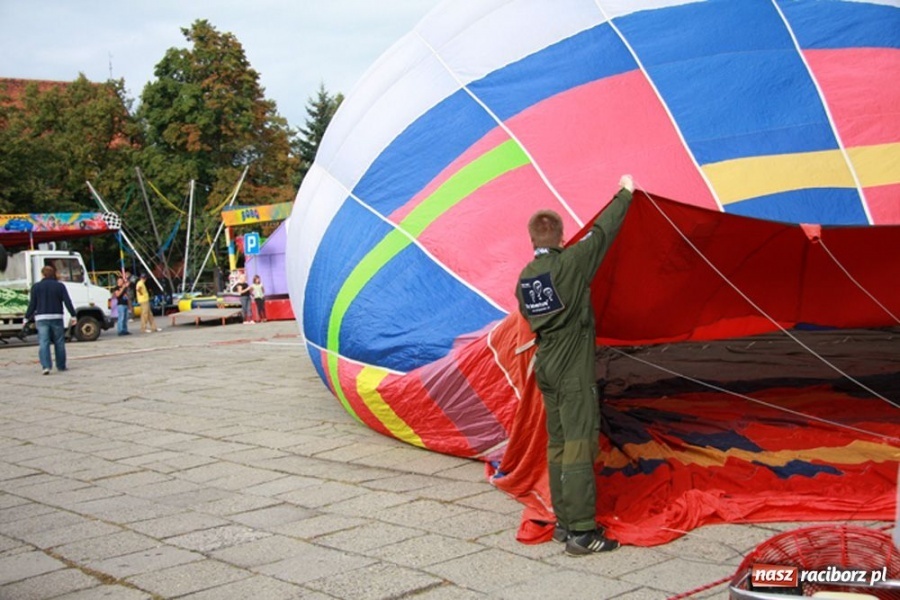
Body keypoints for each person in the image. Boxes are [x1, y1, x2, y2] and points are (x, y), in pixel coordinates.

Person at [515, 174, 634, 556]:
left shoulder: (525, 279)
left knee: (559, 444)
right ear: (561, 238)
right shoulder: (572, 264)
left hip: (546, 365)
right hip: (570, 369)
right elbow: (602, 234)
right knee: (580, 443)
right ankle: (583, 532)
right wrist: (626, 193)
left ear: (533, 240)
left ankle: (563, 523)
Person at [25, 265, 76, 375]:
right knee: (59, 342)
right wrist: (73, 315)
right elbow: (67, 301)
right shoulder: (59, 286)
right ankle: (61, 366)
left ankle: (46, 366)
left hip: (42, 317)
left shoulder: (36, 287)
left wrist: (26, 317)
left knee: (44, 342)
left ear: (42, 274)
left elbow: (32, 304)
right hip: (57, 316)